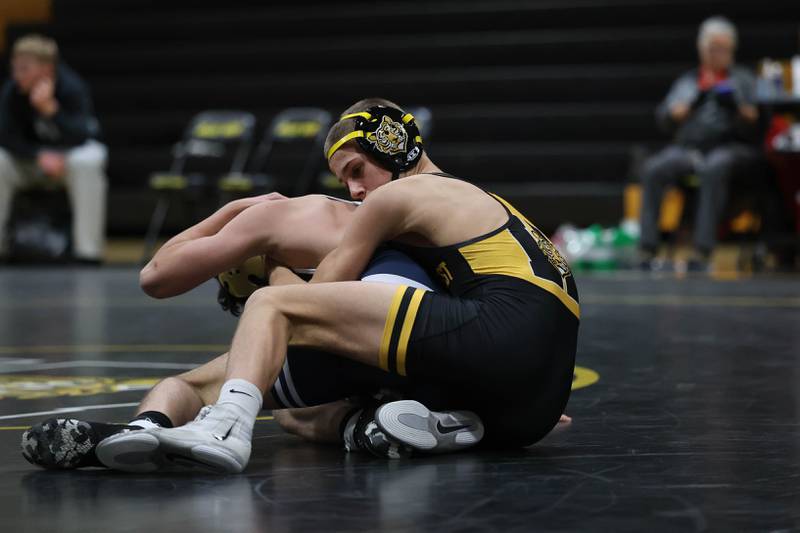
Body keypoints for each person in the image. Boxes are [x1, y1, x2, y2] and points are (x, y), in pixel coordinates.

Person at [93, 98, 580, 474]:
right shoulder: (467, 197)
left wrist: (275, 268)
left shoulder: (398, 199)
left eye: (356, 171)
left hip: (501, 335)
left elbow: (310, 297)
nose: (355, 191)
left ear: (391, 148)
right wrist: (526, 377)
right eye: (344, 180)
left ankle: (226, 426)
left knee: (272, 305)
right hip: (532, 405)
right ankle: (416, 421)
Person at [22, 185, 488, 469]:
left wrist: (233, 211)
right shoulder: (391, 213)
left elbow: (156, 275)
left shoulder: (276, 224)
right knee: (299, 401)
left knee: (202, 383)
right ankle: (374, 424)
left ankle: (144, 426)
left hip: (379, 317)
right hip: (437, 337)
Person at [639, 16, 761, 271]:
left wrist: (738, 109)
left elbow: (759, 122)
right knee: (653, 168)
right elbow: (664, 119)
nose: (719, 55)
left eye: (724, 49)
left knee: (714, 167)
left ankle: (703, 251)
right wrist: (685, 108)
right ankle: (648, 249)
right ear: (702, 50)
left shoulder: (744, 79)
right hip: (689, 149)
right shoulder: (688, 81)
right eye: (713, 49)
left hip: (730, 147)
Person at [0, 34, 107, 264]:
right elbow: (6, 136)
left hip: (68, 162)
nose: (17, 76)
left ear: (47, 69)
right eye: (15, 69)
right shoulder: (12, 93)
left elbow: (86, 134)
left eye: (24, 69)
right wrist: (38, 156)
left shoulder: (72, 88)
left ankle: (87, 253)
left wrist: (52, 112)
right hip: (30, 162)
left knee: (89, 160)